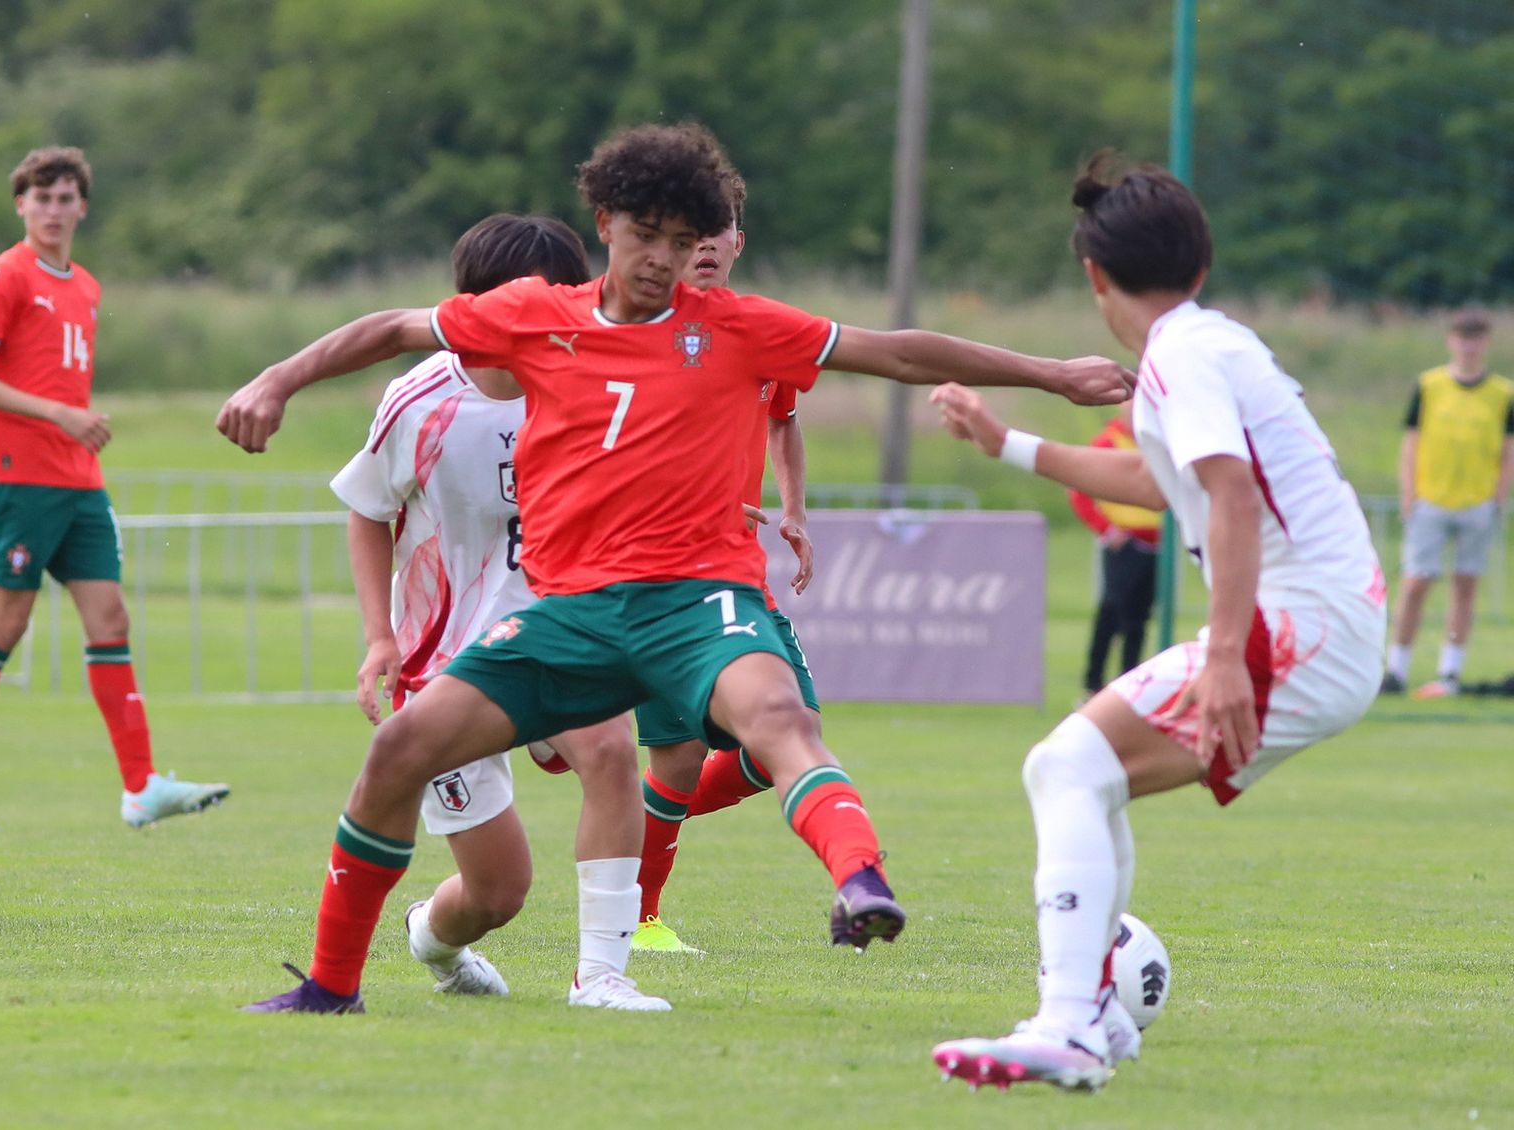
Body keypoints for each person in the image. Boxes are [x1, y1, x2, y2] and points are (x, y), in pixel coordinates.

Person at [220, 122, 1134, 1014]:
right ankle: (330, 986)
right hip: (570, 613)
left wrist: (1052, 374)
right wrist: (276, 379)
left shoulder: (737, 327)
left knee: (777, 720)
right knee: (399, 751)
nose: (661, 258)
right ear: (606, 224)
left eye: (681, 240)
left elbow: (894, 351)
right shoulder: (536, 316)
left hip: (698, 604)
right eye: (645, 234)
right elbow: (392, 327)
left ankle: (856, 883)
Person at [929, 152, 1386, 1093]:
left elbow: (1231, 493)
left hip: (1301, 624)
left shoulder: (1182, 356)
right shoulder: (1208, 344)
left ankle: (1069, 1023)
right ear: (1201, 265)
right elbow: (1159, 480)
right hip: (1328, 623)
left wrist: (1224, 657)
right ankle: (1093, 1018)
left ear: (1093, 275)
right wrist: (1008, 442)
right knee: (1083, 773)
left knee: (1066, 766)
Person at [331, 213, 667, 1010]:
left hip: (556, 632)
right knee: (497, 893)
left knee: (612, 750)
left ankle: (602, 976)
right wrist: (379, 636)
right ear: (473, 307)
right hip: (447, 663)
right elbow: (369, 511)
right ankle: (431, 936)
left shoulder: (591, 388)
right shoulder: (419, 400)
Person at [0, 146, 228, 830]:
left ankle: (141, 787)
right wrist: (57, 414)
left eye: (65, 198)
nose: (53, 210)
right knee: (7, 623)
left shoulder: (85, 286)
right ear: (20, 205)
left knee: (111, 620)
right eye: (41, 198)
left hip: (79, 480)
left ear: (82, 207)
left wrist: (71, 423)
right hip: (21, 474)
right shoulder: (2, 277)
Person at [627, 172, 819, 954]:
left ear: (739, 240)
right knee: (678, 756)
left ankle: (629, 822)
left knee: (787, 737)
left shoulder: (761, 332)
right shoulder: (639, 331)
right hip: (660, 574)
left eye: (718, 229)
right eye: (688, 232)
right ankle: (639, 917)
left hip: (736, 572)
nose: (705, 244)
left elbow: (784, 417)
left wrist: (793, 508)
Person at [1380, 306, 1512, 699]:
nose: (1469, 346)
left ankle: (1450, 670)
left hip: (1477, 502)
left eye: (1476, 338)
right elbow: (1411, 442)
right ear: (1451, 341)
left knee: (1465, 586)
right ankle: (1396, 668)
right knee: (1416, 582)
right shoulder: (1430, 385)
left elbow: (1508, 449)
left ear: (1485, 343)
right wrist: (1409, 494)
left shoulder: (1503, 394)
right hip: (1432, 499)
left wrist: (1498, 497)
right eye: (1463, 338)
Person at [1067, 403, 1160, 699]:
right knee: (1112, 611)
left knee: (1139, 619)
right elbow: (1078, 490)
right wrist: (1105, 528)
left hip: (1156, 545)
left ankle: (1129, 685)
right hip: (1125, 543)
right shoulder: (1108, 442)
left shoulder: (1157, 442)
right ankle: (1093, 684)